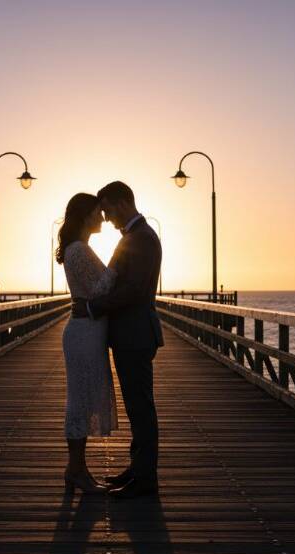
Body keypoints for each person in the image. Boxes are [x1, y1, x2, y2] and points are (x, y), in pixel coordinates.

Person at [72, 180, 163, 499]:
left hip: (135, 334)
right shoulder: (137, 236)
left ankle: (145, 479)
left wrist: (91, 306)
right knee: (137, 406)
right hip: (131, 333)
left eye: (108, 209)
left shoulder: (142, 238)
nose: (107, 218)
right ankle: (138, 470)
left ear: (122, 203)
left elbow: (134, 291)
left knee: (141, 407)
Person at [58, 192, 118, 493]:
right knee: (80, 400)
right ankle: (76, 470)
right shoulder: (80, 250)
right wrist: (120, 263)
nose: (103, 218)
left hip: (87, 330)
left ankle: (77, 469)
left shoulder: (79, 248)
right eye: (98, 212)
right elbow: (101, 287)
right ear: (85, 216)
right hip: (84, 332)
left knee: (83, 398)